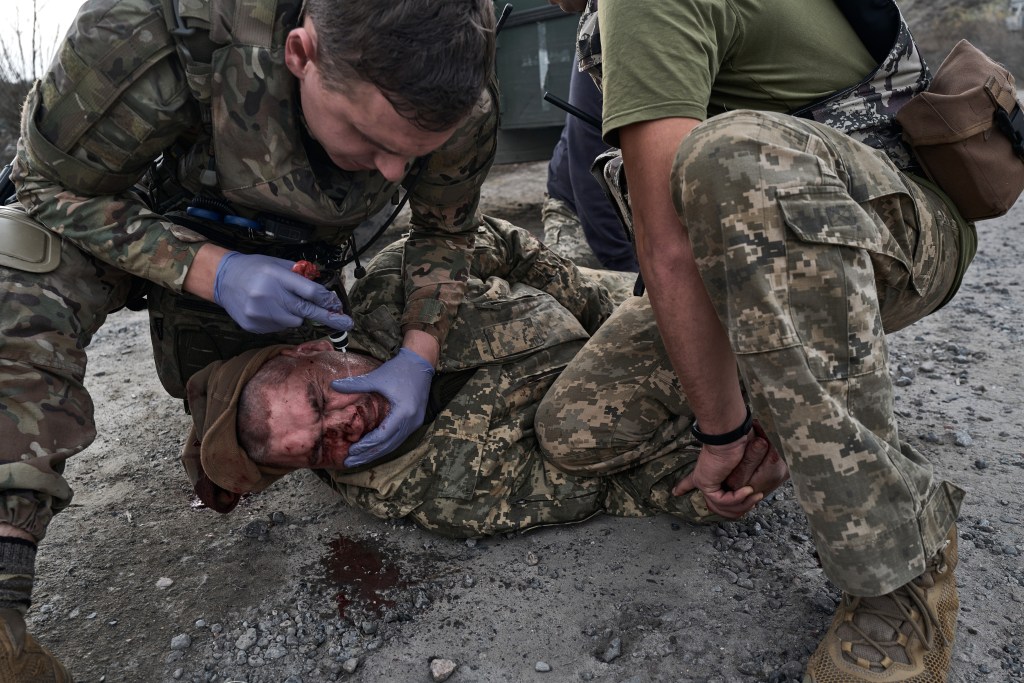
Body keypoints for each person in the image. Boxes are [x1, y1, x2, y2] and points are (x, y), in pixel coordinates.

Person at [0, 0, 497, 677]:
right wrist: (208, 268)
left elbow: (445, 231)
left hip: (292, 272)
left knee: (263, 430)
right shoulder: (149, 29)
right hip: (143, 228)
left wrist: (420, 351)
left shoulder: (456, 83)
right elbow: (44, 183)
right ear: (301, 52)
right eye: (369, 138)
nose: (389, 172)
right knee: (14, 261)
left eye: (411, 153)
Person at [538, 1, 973, 681]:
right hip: (770, 239)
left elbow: (669, 245)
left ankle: (903, 561)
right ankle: (791, 419)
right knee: (578, 429)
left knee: (730, 157)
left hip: (896, 228)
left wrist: (723, 433)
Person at [182, 217, 788, 539]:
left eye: (321, 399)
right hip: (690, 396)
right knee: (570, 434)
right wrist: (722, 488)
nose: (345, 421)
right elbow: (599, 488)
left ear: (313, 348)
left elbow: (497, 241)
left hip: (629, 300)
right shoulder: (421, 486)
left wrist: (590, 301)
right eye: (320, 448)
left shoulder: (391, 289)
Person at [543, 50, 638, 272]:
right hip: (580, 211)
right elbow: (588, 170)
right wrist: (626, 266)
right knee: (570, 297)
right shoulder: (600, 37)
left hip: (651, 215)